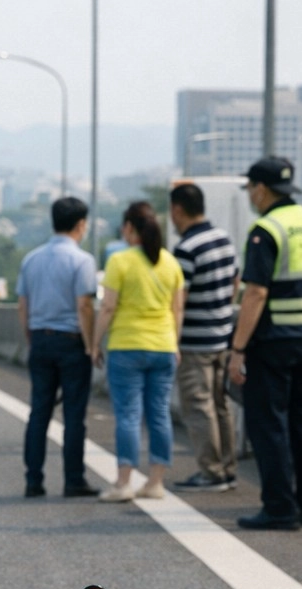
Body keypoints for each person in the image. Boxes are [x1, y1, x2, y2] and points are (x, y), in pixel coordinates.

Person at [226, 157, 302, 530]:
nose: (250, 196)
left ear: (260, 188)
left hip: (272, 342)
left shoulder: (266, 229)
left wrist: (238, 348)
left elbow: (255, 292)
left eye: (250, 189)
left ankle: (279, 508)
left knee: (269, 424)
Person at [91, 201, 185, 502]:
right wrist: (175, 343)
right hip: (163, 346)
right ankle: (155, 483)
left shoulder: (120, 261)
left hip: (127, 346)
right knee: (159, 414)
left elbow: (107, 307)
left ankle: (123, 483)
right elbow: (177, 309)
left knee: (129, 415)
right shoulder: (170, 263)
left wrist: (94, 343)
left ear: (130, 228)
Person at [16, 197, 100, 498]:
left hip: (39, 339)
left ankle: (33, 480)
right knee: (74, 415)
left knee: (39, 412)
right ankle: (73, 479)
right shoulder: (82, 261)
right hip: (71, 342)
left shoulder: (31, 259)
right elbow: (84, 306)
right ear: (80, 225)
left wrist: (31, 337)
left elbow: (22, 306)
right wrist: (91, 346)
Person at [168, 183, 240, 491]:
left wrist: (173, 339)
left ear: (177, 210)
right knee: (220, 405)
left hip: (195, 342)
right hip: (222, 337)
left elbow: (178, 301)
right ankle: (227, 466)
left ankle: (210, 472)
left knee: (198, 406)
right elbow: (236, 280)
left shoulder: (186, 249)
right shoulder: (223, 239)